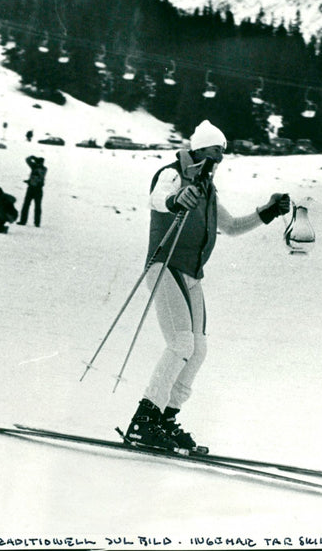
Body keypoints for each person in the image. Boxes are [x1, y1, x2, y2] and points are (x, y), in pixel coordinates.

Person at [125, 120, 291, 451]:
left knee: (198, 349)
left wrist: (269, 212)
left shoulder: (207, 192)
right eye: (214, 152)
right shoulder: (172, 174)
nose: (218, 159)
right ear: (198, 150)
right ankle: (143, 421)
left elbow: (229, 226)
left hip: (191, 275)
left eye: (222, 153)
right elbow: (159, 198)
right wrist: (177, 200)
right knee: (182, 342)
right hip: (164, 266)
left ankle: (165, 419)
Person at [18, 155, 47, 226]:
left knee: (27, 205)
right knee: (37, 206)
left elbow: (27, 159)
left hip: (32, 189)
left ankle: (23, 221)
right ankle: (37, 222)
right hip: (38, 189)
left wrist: (33, 157)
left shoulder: (35, 167)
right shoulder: (44, 168)